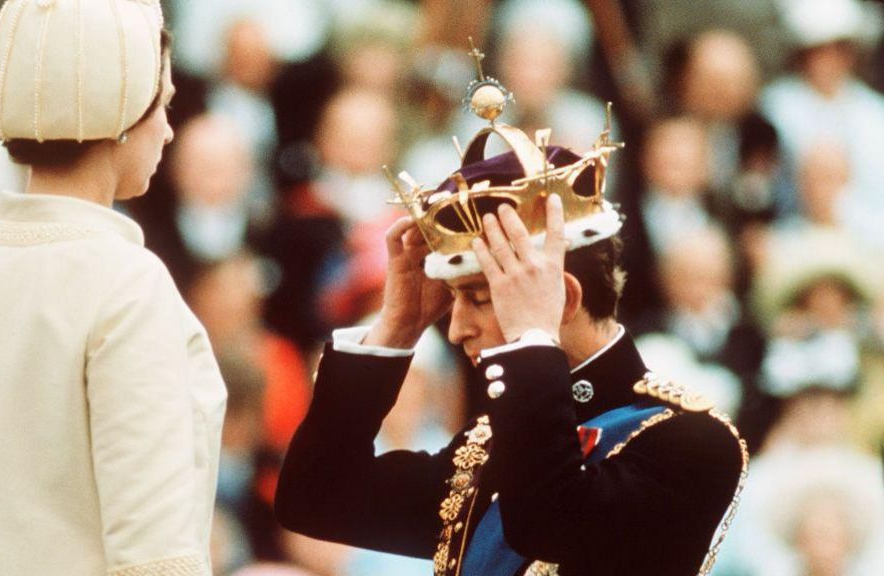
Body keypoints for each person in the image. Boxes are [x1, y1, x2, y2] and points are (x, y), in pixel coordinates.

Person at [275, 50, 747, 576]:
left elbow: (546, 521)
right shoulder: (488, 447)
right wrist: (396, 328)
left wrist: (530, 338)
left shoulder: (689, 442)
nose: (455, 329)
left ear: (563, 298)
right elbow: (315, 500)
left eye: (479, 298)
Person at [0, 2, 226, 576]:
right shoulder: (127, 284)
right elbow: (154, 554)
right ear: (117, 116)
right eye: (160, 105)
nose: (166, 128)